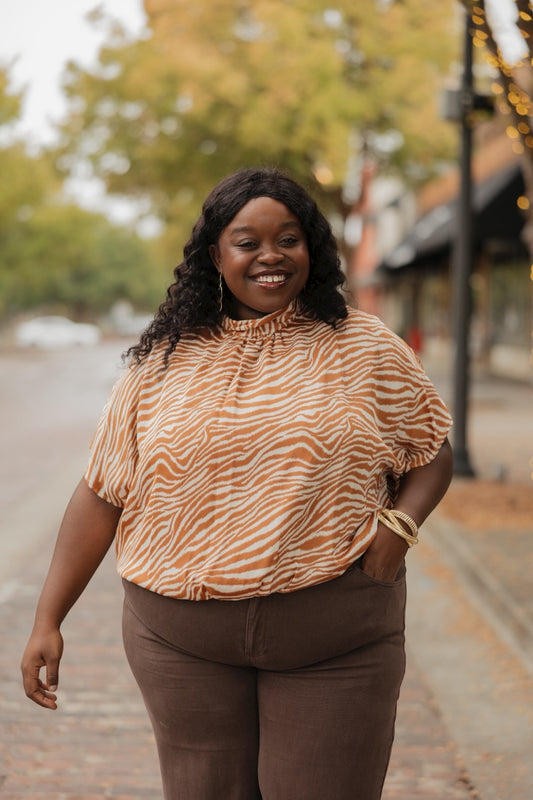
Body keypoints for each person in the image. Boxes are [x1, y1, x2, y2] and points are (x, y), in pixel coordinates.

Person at [21, 166, 453, 800]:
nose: (270, 256)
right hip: (180, 644)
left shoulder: (365, 347)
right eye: (247, 242)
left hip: (335, 635)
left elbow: (431, 450)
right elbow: (102, 490)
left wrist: (398, 533)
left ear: (313, 248)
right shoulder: (163, 359)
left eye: (289, 238)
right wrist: (47, 618)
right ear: (215, 254)